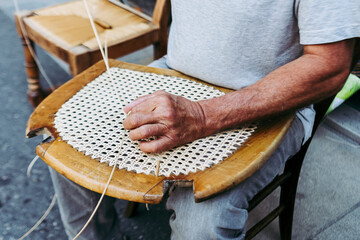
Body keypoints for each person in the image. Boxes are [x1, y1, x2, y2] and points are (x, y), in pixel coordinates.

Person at [49, 1, 359, 239]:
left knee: (203, 221)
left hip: (267, 102)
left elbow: (329, 66)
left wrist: (201, 115)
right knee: (66, 145)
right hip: (171, 71)